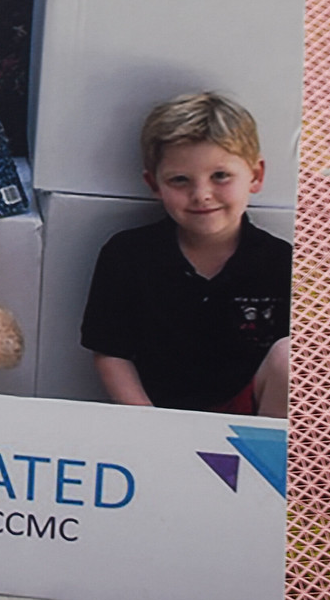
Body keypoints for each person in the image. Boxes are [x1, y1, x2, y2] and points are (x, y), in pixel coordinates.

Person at [80, 92, 290, 417]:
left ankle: (270, 451)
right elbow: (111, 352)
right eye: (180, 180)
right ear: (154, 184)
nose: (201, 195)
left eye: (220, 176)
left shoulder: (283, 262)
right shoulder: (127, 255)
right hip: (159, 417)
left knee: (290, 356)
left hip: (250, 418)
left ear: (256, 175)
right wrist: (148, 422)